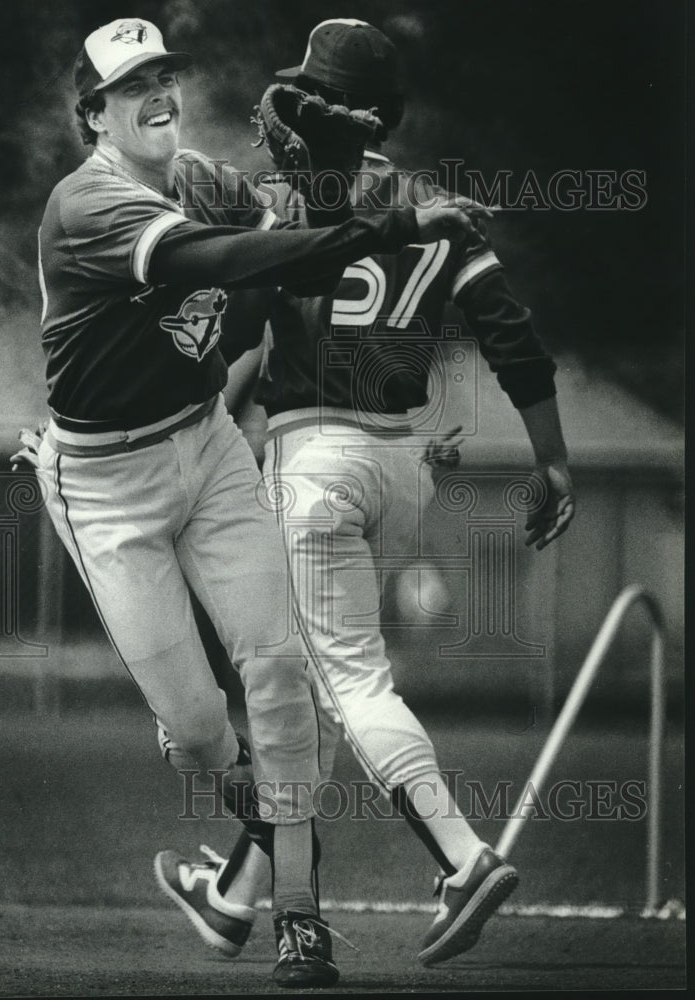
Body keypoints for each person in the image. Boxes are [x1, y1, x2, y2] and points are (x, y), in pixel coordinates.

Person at [30, 16, 488, 989]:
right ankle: (271, 840)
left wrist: (337, 188)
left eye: (163, 75)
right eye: (129, 85)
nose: (157, 92)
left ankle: (295, 917)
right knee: (201, 732)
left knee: (279, 678)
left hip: (207, 448)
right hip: (107, 485)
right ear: (93, 115)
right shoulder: (88, 205)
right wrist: (395, 223)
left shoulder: (201, 180)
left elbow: (303, 264)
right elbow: (232, 264)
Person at [157, 18, 575, 969]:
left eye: (307, 91)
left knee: (348, 682)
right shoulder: (434, 205)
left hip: (314, 464)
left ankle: (463, 859)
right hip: (400, 468)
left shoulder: (288, 204)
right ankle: (235, 898)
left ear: (327, 107)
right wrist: (553, 461)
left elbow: (238, 340)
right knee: (318, 688)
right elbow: (510, 336)